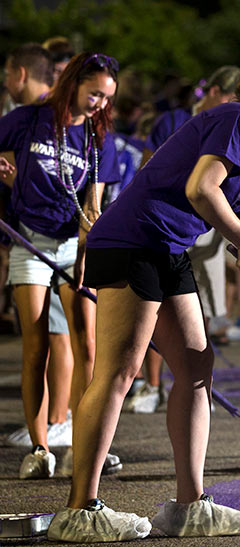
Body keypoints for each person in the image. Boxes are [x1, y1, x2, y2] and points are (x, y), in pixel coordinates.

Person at [47, 55, 240, 543]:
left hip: (167, 246)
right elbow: (200, 188)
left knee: (195, 367)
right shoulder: (238, 118)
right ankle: (80, 510)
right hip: (132, 240)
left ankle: (189, 506)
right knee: (119, 371)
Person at [0, 52, 122, 479]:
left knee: (87, 342)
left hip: (74, 246)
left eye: (107, 98)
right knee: (36, 347)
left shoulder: (98, 137)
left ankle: (84, 445)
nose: (100, 104)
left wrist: (88, 256)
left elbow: (94, 206)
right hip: (29, 240)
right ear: (74, 83)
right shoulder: (29, 120)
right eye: (95, 94)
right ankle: (39, 448)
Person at [124, 65, 240, 414]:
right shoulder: (173, 120)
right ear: (217, 92)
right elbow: (148, 169)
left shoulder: (232, 126)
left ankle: (191, 384)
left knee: (198, 308)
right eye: (232, 98)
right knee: (152, 306)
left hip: (200, 226)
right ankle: (152, 383)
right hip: (163, 224)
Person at [1, 43, 76, 452]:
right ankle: (46, 431)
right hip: (32, 237)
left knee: (61, 337)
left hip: (60, 240)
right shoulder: (21, 120)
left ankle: (58, 421)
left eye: (8, 75)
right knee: (44, 339)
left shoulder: (57, 119)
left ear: (22, 75)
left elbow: (69, 187)